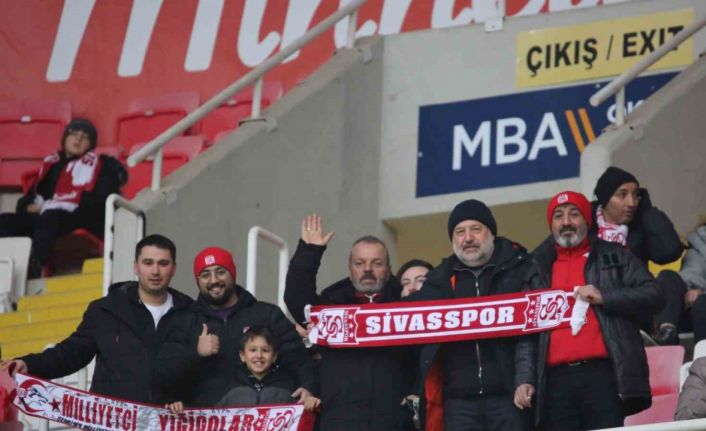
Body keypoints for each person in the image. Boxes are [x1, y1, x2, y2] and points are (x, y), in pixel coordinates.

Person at [0, 234, 192, 404]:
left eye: (163, 263)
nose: (155, 271)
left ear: (173, 268)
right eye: (148, 263)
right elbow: (70, 354)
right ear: (136, 267)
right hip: (111, 425)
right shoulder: (105, 310)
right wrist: (28, 364)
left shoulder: (191, 313)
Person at [529, 191, 661, 430]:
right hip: (553, 381)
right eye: (558, 216)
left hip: (602, 375)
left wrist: (605, 296)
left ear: (587, 220)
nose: (566, 221)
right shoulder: (535, 266)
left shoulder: (615, 254)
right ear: (552, 224)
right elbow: (525, 331)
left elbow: (654, 294)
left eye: (574, 214)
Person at [405, 199, 534, 431]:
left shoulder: (520, 269)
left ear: (491, 233)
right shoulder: (438, 281)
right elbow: (395, 314)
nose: (468, 238)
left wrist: (525, 379)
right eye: (459, 232)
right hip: (458, 401)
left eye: (476, 229)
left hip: (509, 395)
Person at [284, 214, 415, 431]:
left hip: (395, 419)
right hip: (340, 418)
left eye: (377, 263)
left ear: (389, 269)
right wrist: (310, 251)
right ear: (350, 269)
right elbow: (297, 300)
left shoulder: (406, 305)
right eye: (360, 263)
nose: (367, 270)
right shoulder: (331, 303)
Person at [161, 246, 317, 408]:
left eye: (221, 271)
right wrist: (196, 353)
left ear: (233, 274)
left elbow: (298, 357)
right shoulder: (185, 321)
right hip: (208, 420)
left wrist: (308, 387)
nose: (214, 280)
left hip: (264, 417)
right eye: (205, 275)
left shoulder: (267, 314)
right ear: (198, 281)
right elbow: (164, 374)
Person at [0, 118, 127, 275]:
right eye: (74, 133)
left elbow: (102, 199)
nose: (79, 138)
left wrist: (68, 203)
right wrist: (27, 206)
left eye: (85, 136)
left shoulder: (101, 166)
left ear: (91, 145)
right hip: (47, 216)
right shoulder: (51, 165)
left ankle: (34, 268)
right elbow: (31, 196)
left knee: (49, 216)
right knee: (5, 221)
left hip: (83, 216)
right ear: (65, 138)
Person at [590, 166, 683, 343]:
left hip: (638, 298)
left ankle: (663, 335)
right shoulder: (587, 226)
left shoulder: (641, 224)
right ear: (605, 198)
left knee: (669, 278)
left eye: (636, 195)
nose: (631, 203)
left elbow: (669, 252)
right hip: (601, 299)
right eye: (622, 194)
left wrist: (647, 209)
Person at [166, 326, 320, 414]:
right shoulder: (229, 384)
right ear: (242, 356)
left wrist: (312, 405)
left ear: (274, 356)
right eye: (252, 350)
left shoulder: (288, 385)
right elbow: (207, 416)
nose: (259, 356)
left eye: (265, 350)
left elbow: (304, 417)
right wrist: (182, 410)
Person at [662, 223, 706, 343]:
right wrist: (693, 288)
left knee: (702, 302)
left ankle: (703, 355)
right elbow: (692, 271)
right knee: (668, 277)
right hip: (695, 311)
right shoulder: (702, 241)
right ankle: (666, 333)